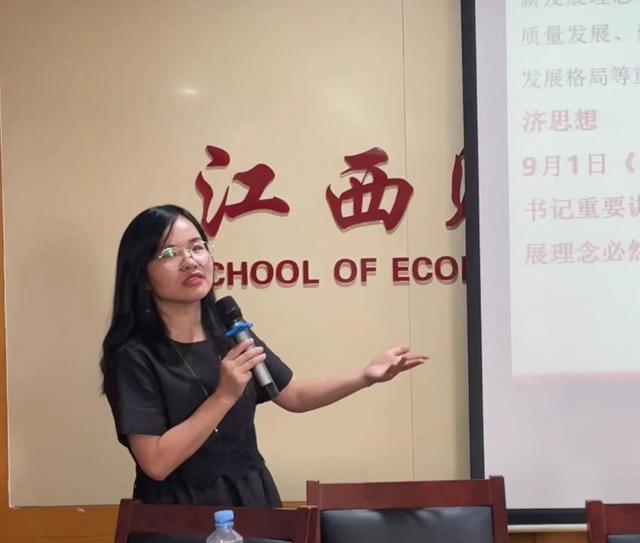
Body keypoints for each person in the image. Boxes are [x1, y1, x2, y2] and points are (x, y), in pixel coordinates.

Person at [101, 204, 427, 506]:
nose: (190, 261)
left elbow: (293, 394)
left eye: (197, 247)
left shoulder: (228, 332)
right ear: (142, 276)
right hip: (178, 516)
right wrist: (224, 396)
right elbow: (156, 462)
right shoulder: (133, 356)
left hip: (252, 498)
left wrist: (363, 378)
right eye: (170, 253)